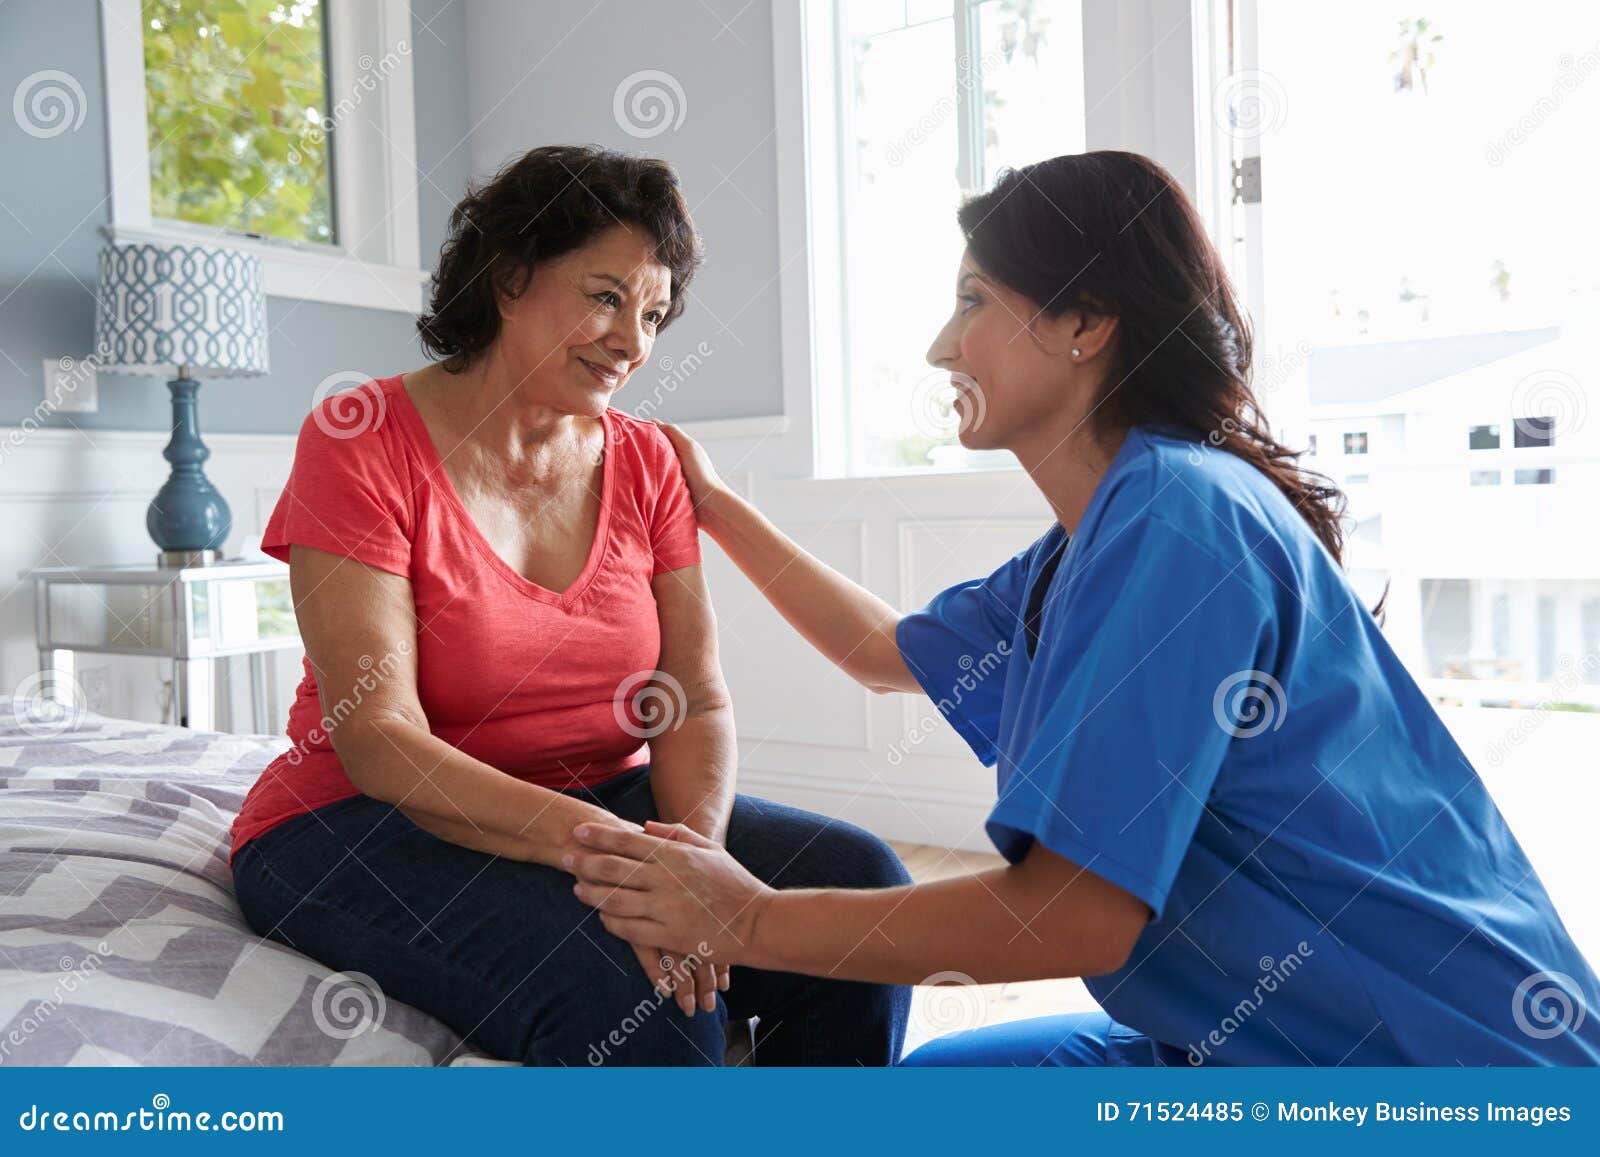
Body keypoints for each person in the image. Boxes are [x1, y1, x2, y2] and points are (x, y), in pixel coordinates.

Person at [566, 151, 1600, 1066]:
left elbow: (1072, 915)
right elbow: (879, 650)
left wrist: (746, 917)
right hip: (1234, 1038)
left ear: (1084, 321)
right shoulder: (1095, 538)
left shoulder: (1178, 521)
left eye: (972, 299)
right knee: (931, 1093)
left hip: (1425, 1070)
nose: (940, 346)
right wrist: (713, 503)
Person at [228, 145, 910, 1067]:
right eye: (605, 296)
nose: (634, 341)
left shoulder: (646, 458)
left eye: (656, 313)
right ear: (509, 278)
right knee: (639, 995)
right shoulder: (361, 439)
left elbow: (693, 697)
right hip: (359, 823)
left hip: (599, 800)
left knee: (865, 893)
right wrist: (624, 863)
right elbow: (378, 737)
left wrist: (691, 863)